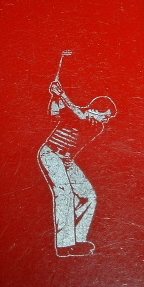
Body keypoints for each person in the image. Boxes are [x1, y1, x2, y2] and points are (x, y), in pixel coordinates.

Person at [38, 80, 117, 257]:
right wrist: (55, 96)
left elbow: (79, 116)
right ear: (95, 110)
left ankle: (78, 239)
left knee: (89, 196)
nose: (107, 120)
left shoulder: (95, 125)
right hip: (51, 154)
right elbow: (54, 112)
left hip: (67, 160)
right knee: (64, 193)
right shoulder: (76, 111)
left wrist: (62, 94)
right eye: (106, 116)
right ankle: (64, 245)